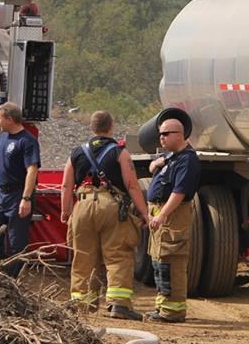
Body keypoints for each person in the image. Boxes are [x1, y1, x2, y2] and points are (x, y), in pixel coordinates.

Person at [60, 110, 150, 320]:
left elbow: (66, 185)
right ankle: (119, 305)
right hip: (112, 207)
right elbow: (132, 185)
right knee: (118, 255)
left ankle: (81, 304)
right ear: (111, 127)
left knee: (83, 256)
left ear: (92, 128)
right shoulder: (120, 153)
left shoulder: (76, 152)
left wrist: (66, 212)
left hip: (82, 206)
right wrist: (144, 213)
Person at [145, 109, 201, 323]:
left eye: (166, 134)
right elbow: (154, 167)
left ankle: (173, 311)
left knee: (172, 262)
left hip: (173, 216)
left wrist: (161, 215)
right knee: (160, 262)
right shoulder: (171, 157)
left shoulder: (187, 160)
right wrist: (156, 164)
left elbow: (179, 193)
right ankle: (163, 307)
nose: (162, 137)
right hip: (161, 214)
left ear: (180, 134)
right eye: (160, 134)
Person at [0, 101, 41, 278]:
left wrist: (26, 199)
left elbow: (32, 170)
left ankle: (11, 279)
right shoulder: (3, 138)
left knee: (16, 242)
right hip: (0, 195)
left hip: (18, 195)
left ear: (10, 119)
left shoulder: (27, 141)